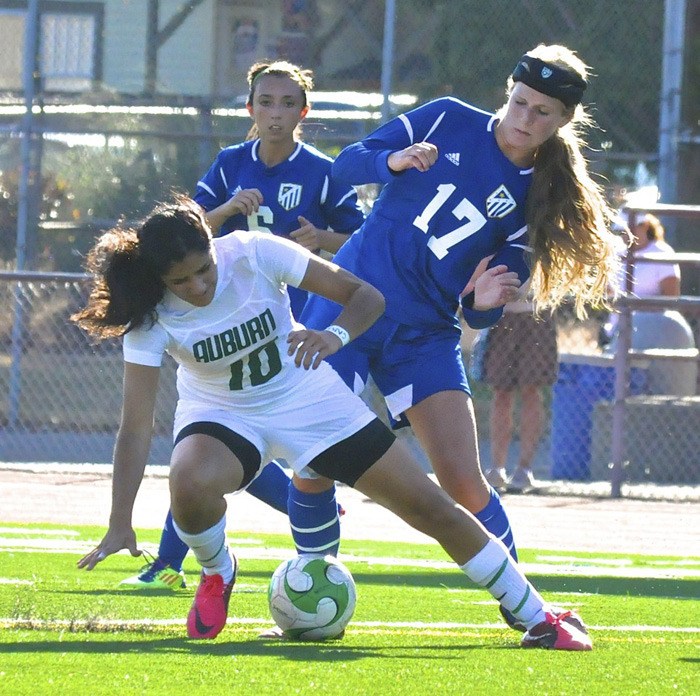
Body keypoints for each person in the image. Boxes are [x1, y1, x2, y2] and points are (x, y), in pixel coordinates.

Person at [74, 196, 592, 650]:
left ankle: (538, 616)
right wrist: (121, 520)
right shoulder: (149, 313)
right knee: (187, 482)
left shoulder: (254, 251)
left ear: (213, 243)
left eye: (203, 268)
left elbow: (366, 297)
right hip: (222, 413)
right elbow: (136, 428)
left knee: (429, 506)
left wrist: (335, 337)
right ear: (158, 277)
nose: (198, 285)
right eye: (180, 281)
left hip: (305, 397)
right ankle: (217, 572)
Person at [301, 43, 620, 629]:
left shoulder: (539, 197)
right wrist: (391, 163)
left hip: (424, 332)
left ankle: (523, 607)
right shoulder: (446, 116)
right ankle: (313, 590)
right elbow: (345, 165)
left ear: (563, 122)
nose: (526, 120)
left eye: (543, 113)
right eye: (521, 102)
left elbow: (481, 315)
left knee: (464, 480)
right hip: (348, 303)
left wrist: (485, 302)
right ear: (508, 90)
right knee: (315, 459)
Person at [121, 60, 365, 590]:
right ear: (249, 108)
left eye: (286, 104)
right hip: (226, 326)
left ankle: (310, 536)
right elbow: (182, 238)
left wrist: (323, 239)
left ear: (304, 112)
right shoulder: (230, 163)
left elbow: (363, 246)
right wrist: (227, 207)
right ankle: (176, 563)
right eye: (265, 102)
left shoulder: (324, 171)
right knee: (209, 444)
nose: (275, 114)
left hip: (298, 328)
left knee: (286, 451)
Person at [482, 293, 558, 493]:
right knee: (501, 392)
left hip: (537, 314)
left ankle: (524, 469)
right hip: (502, 314)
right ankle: (497, 469)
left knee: (531, 391)